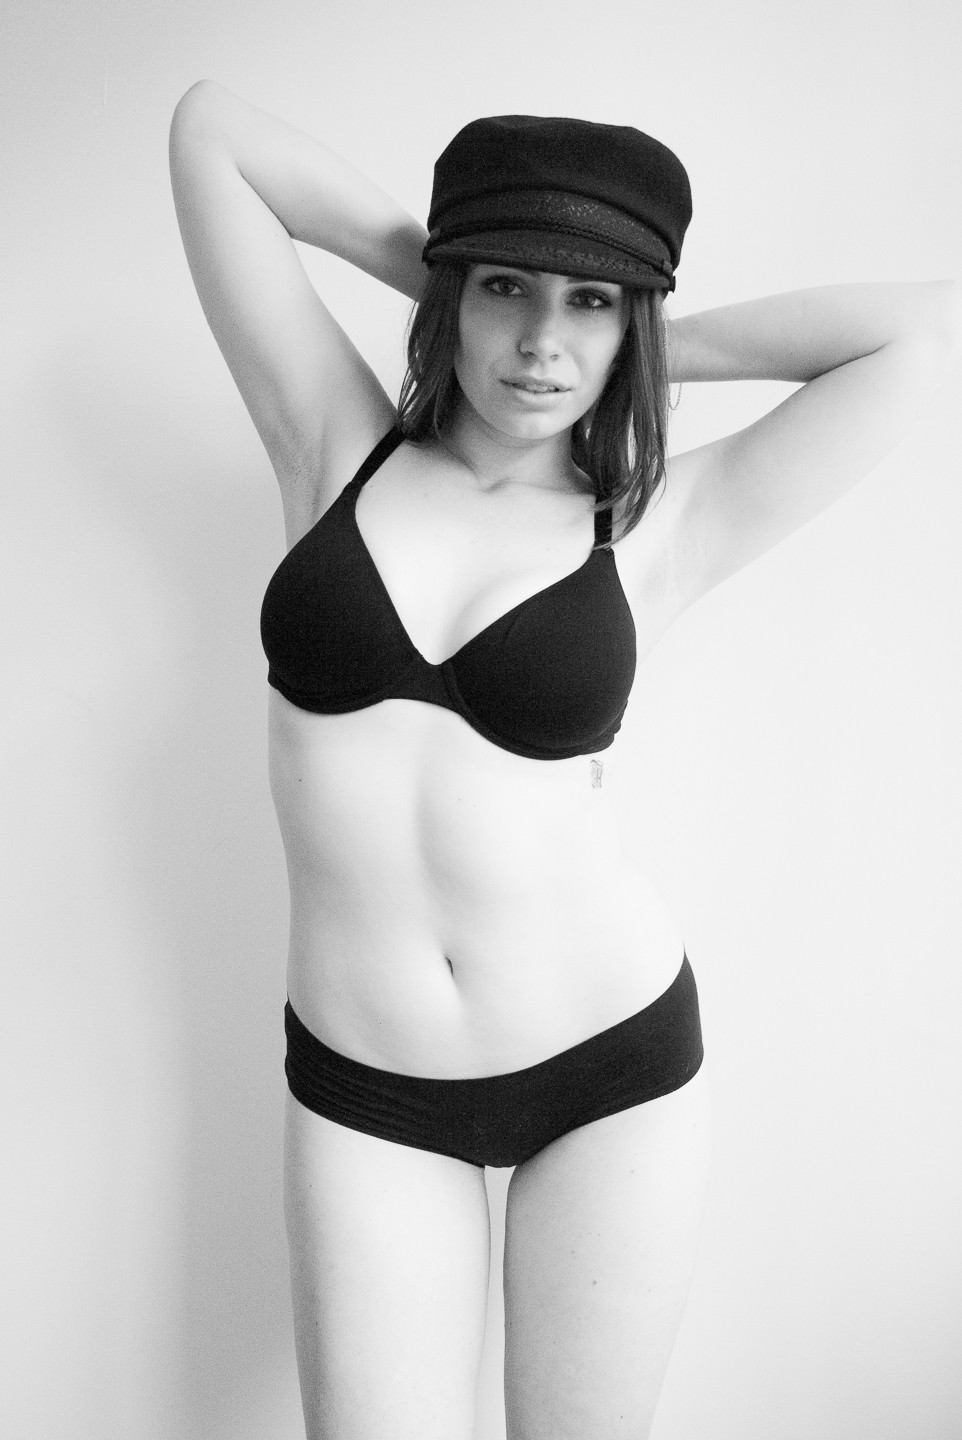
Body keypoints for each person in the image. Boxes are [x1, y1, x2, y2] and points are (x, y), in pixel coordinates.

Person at [169, 81, 959, 1440]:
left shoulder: (659, 522)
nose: (542, 342)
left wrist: (644, 337)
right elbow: (212, 134)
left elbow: (926, 329)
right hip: (366, 1086)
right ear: (453, 295)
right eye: (506, 291)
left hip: (607, 1071)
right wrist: (440, 271)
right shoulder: (333, 447)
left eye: (588, 302)